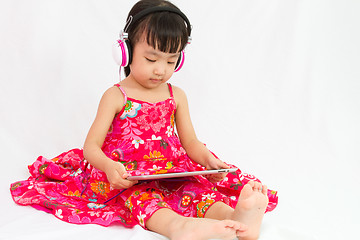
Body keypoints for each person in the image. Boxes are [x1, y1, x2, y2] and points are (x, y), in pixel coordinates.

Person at [10, 0, 278, 239]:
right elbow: (90, 147)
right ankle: (180, 227)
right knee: (144, 201)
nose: (161, 70)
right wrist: (110, 166)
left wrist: (208, 161)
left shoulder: (177, 96)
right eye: (151, 58)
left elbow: (191, 142)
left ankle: (235, 219)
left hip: (172, 171)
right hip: (128, 177)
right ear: (126, 51)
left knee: (196, 191)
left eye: (171, 61)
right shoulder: (116, 96)